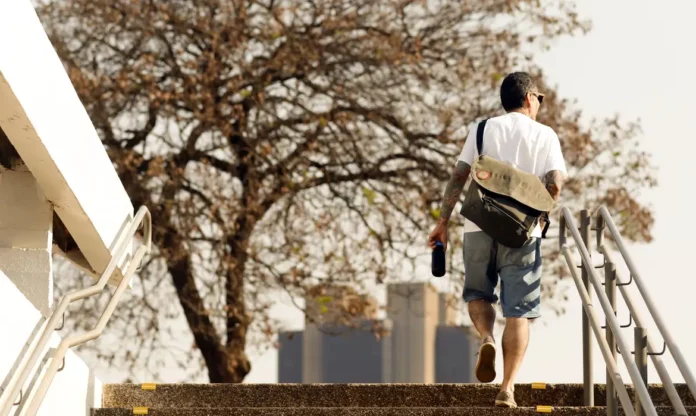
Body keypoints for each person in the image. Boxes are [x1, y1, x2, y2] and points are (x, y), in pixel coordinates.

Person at [427, 72, 567, 408]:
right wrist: (542, 212)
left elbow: (459, 175)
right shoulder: (545, 136)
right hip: (523, 234)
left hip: (478, 226)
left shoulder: (482, 128)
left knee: (478, 294)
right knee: (518, 312)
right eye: (540, 99)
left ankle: (487, 338)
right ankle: (507, 389)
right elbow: (557, 182)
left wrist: (442, 222)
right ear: (530, 97)